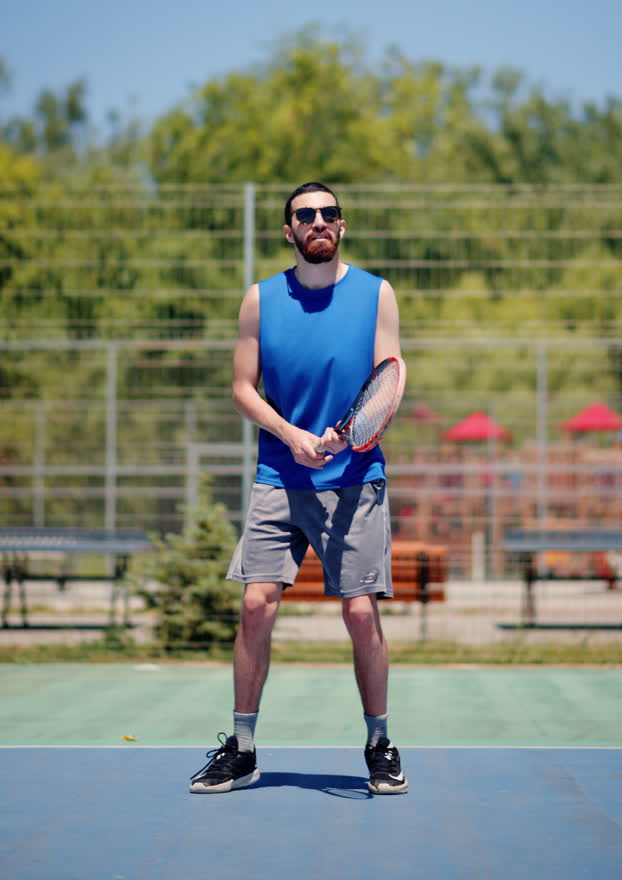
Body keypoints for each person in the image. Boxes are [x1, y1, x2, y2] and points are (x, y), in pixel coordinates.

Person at [190, 181, 408, 796]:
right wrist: (290, 435)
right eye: (306, 215)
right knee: (256, 603)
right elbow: (241, 387)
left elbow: (386, 382)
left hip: (354, 478)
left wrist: (346, 438)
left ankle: (378, 743)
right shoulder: (260, 299)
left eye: (329, 213)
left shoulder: (377, 294)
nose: (319, 221)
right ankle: (244, 748)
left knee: (361, 612)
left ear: (342, 225)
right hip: (278, 477)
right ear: (288, 230)